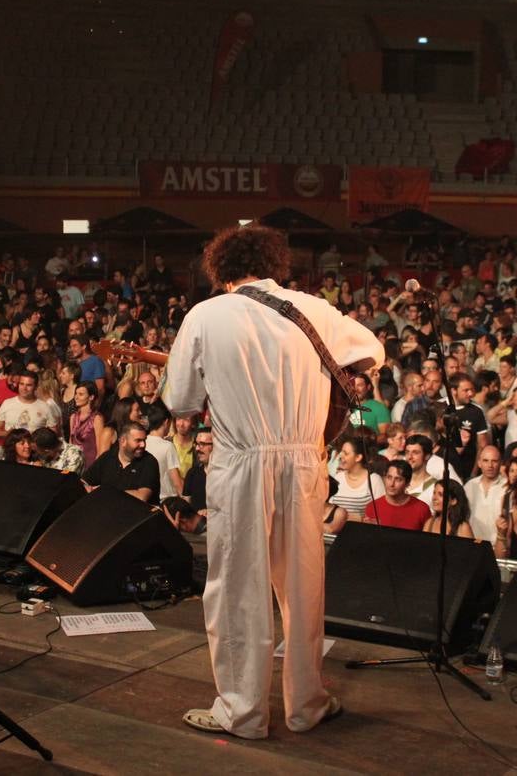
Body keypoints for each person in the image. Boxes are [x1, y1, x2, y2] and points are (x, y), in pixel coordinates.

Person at [162, 225, 382, 740]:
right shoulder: (314, 309)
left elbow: (180, 402)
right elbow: (370, 352)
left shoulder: (206, 314)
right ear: (274, 262)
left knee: (238, 588)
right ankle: (306, 704)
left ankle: (243, 713)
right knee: (304, 587)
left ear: (220, 267)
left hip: (241, 464)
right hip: (306, 460)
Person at [81, 421, 159, 502]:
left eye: (144, 440)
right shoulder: (108, 457)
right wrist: (86, 488)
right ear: (123, 441)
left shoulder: (149, 462)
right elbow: (84, 481)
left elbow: (142, 496)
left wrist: (105, 493)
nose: (143, 445)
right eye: (138, 440)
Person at [364, 459, 433, 530]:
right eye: (389, 477)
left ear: (407, 483)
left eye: (398, 479)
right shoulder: (372, 507)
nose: (391, 484)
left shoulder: (422, 509)